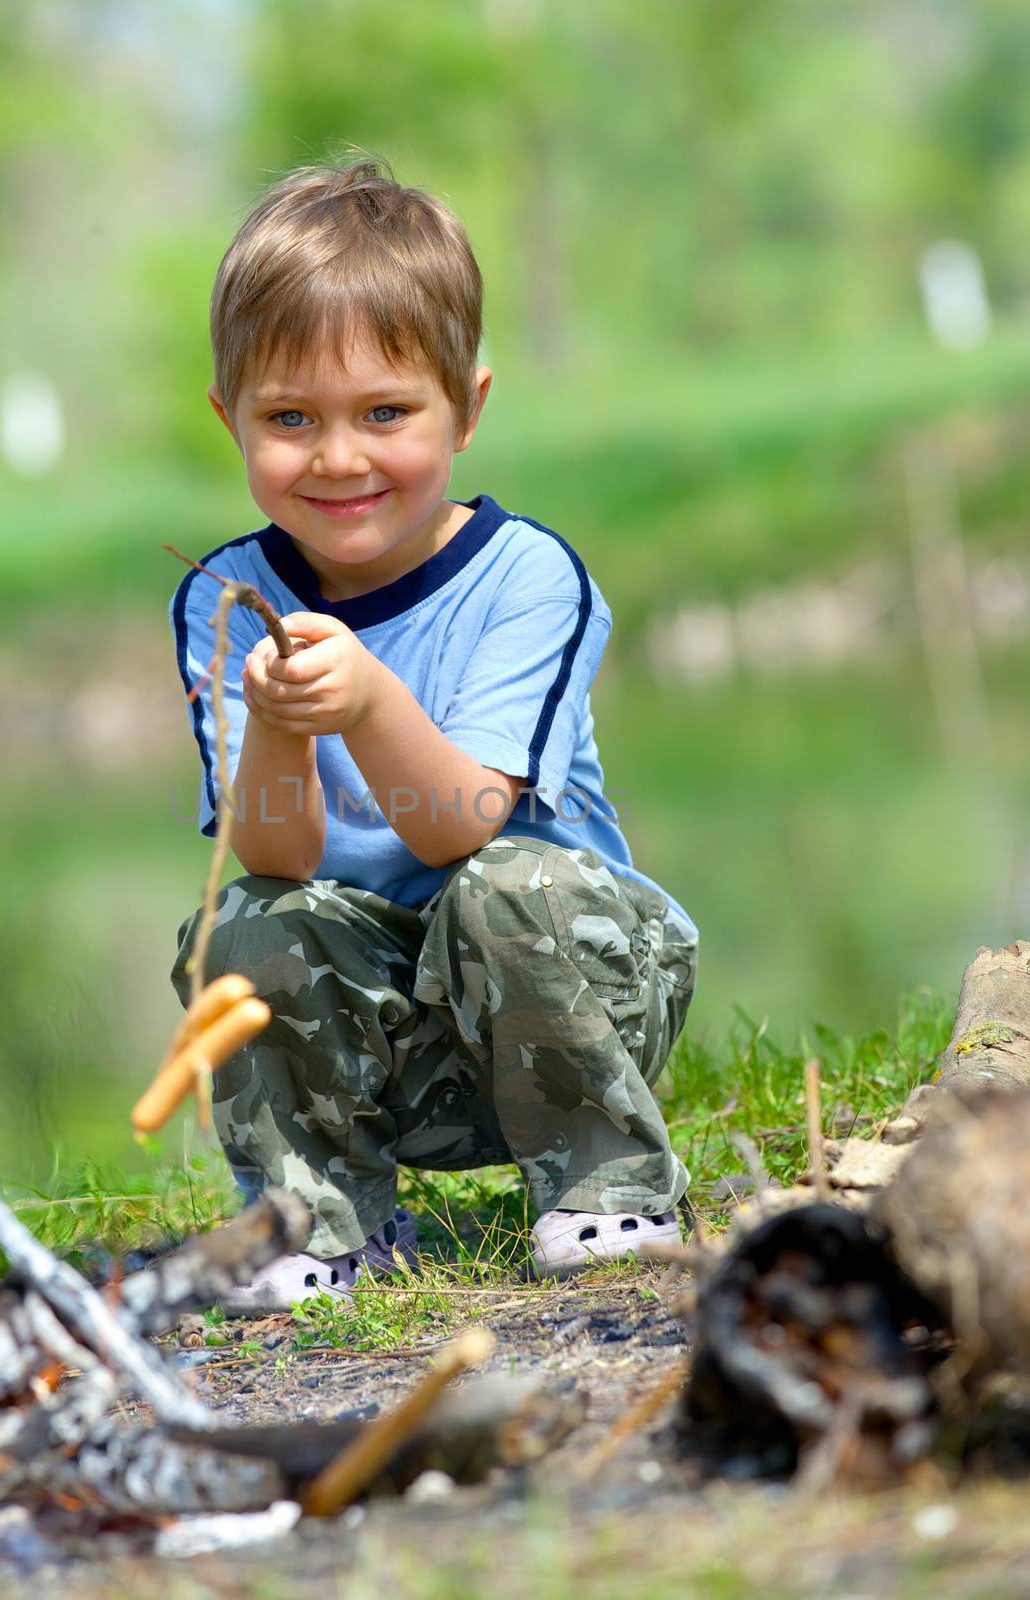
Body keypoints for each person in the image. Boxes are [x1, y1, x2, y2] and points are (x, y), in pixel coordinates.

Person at [169, 157, 698, 1309]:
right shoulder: (223, 599)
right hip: (390, 1047)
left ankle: (606, 1183)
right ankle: (321, 1221)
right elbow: (272, 865)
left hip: (575, 997)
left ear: (467, 402)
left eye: (386, 412)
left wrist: (367, 703)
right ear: (231, 419)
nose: (339, 456)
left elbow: (463, 825)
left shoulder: (526, 577)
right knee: (239, 929)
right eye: (289, 418)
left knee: (505, 886)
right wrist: (273, 728)